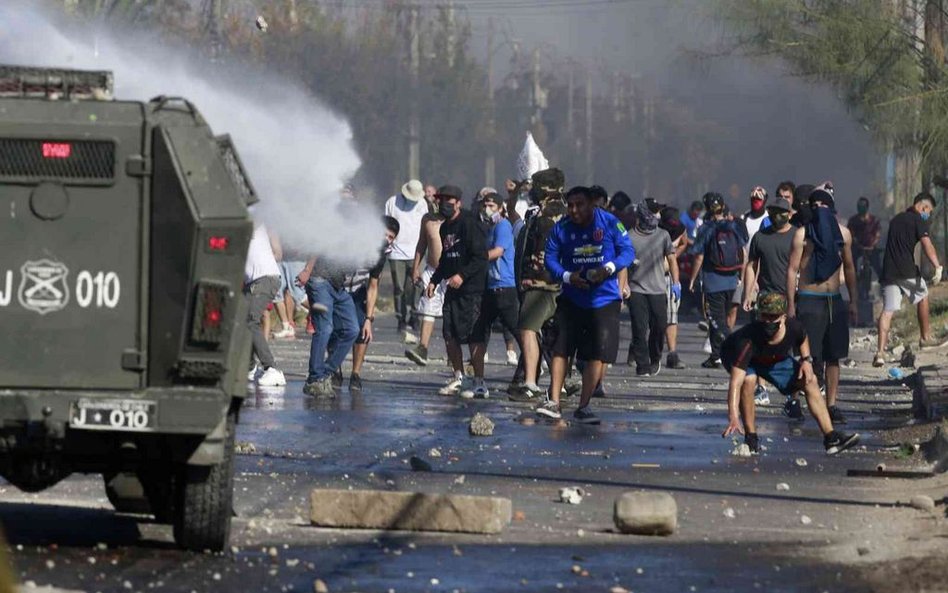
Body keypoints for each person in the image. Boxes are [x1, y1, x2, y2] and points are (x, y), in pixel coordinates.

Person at [535, 186, 635, 424]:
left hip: (604, 299)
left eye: (579, 204)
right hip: (572, 296)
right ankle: (554, 402)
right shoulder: (562, 227)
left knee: (596, 353)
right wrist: (568, 276)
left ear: (592, 204)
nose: (574, 210)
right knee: (560, 348)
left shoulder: (610, 223)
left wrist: (608, 269)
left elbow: (628, 251)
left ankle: (584, 406)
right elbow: (550, 257)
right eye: (570, 205)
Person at [721, 293, 860, 455]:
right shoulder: (746, 341)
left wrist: (806, 360)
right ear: (759, 315)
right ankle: (751, 438)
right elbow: (735, 383)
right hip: (737, 357)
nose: (768, 321)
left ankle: (831, 438)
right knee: (748, 380)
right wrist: (733, 416)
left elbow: (803, 338)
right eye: (765, 316)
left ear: (783, 317)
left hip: (771, 359)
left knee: (810, 380)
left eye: (773, 317)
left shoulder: (794, 328)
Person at [786, 186, 856, 424]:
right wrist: (791, 306)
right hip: (809, 298)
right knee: (806, 356)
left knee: (833, 356)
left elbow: (849, 267)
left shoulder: (843, 235)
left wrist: (853, 300)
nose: (819, 210)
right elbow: (793, 269)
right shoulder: (802, 235)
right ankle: (794, 400)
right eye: (814, 206)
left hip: (833, 299)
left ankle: (832, 404)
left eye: (823, 206)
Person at [508, 168, 567, 402]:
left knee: (528, 329)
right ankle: (557, 383)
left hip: (543, 284)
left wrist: (533, 275)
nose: (532, 191)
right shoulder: (552, 211)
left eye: (536, 187)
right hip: (554, 282)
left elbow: (543, 250)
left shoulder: (549, 215)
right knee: (551, 335)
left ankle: (531, 382)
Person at [426, 185, 488, 396]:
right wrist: (434, 280)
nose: (445, 204)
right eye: (441, 200)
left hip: (472, 289)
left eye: (449, 201)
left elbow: (481, 257)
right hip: (451, 289)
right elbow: (445, 259)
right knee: (449, 333)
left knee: (473, 335)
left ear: (458, 203)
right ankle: (459, 377)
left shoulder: (469, 224)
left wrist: (462, 275)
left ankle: (480, 382)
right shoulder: (444, 228)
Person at [874, 193, 945, 366]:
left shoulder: (896, 219)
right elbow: (927, 245)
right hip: (906, 270)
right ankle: (925, 338)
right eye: (928, 210)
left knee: (888, 310)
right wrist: (937, 266)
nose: (928, 214)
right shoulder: (918, 220)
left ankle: (880, 352)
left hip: (889, 271)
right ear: (922, 206)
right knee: (923, 296)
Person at [467, 193, 521, 397]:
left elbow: (498, 251)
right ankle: (478, 380)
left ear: (500, 207)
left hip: (504, 287)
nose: (487, 208)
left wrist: (476, 260)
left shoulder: (503, 226)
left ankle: (544, 373)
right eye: (485, 205)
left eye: (491, 205)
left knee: (519, 332)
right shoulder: (489, 228)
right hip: (490, 287)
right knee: (478, 332)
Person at [339, 216, 401, 391]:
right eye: (384, 235)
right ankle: (335, 370)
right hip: (337, 288)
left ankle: (355, 374)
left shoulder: (380, 256)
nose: (386, 240)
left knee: (362, 331)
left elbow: (373, 286)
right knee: (335, 330)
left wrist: (369, 318)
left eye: (390, 238)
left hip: (358, 291)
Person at [688, 192, 746, 368]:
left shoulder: (707, 228)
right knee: (720, 319)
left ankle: (735, 351)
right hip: (732, 280)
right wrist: (741, 276)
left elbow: (698, 256)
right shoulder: (734, 225)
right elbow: (743, 251)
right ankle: (716, 355)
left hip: (713, 282)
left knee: (717, 320)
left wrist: (692, 279)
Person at [298, 251, 360, 399]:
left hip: (338, 287)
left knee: (352, 329)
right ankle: (315, 379)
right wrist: (307, 270)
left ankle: (324, 373)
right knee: (325, 328)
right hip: (320, 280)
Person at [627, 203, 679, 376]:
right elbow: (623, 262)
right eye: (652, 213)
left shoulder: (663, 235)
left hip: (658, 289)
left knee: (659, 326)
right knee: (639, 328)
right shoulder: (630, 236)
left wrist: (676, 283)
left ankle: (655, 358)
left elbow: (672, 260)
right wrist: (623, 285)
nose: (655, 217)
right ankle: (642, 365)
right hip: (636, 289)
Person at [245, 219, 287, 387]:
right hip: (254, 280)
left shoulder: (254, 221)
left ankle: (272, 369)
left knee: (249, 320)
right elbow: (278, 254)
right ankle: (248, 368)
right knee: (241, 322)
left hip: (264, 279)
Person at [385, 179, 429, 341]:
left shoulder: (422, 204)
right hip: (396, 251)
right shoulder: (392, 202)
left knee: (416, 285)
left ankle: (415, 313)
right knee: (399, 287)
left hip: (416, 250)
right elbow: (386, 223)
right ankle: (401, 317)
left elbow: (426, 225)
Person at [405, 194, 446, 366]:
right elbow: (422, 243)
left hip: (451, 271)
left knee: (452, 313)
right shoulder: (427, 220)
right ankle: (423, 347)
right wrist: (416, 268)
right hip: (431, 269)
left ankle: (455, 355)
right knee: (428, 309)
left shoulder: (455, 220)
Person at [728, 186, 772, 329]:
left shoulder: (768, 220)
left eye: (758, 199)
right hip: (744, 267)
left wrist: (757, 279)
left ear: (764, 200)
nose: (755, 202)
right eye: (753, 199)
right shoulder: (745, 217)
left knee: (758, 310)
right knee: (734, 305)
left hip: (761, 269)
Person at [659, 206, 688, 369]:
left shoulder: (680, 228)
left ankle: (672, 354)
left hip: (668, 275)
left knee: (671, 315)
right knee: (648, 316)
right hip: (651, 275)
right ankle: (639, 350)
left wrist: (673, 256)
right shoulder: (655, 230)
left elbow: (684, 241)